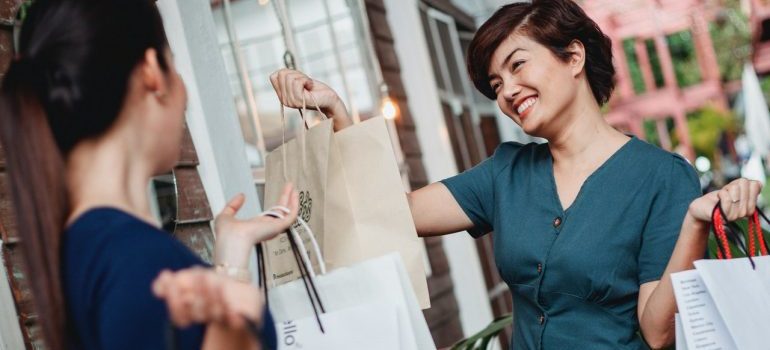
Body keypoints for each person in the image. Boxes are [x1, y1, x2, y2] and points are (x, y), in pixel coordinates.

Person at [269, 0, 763, 348]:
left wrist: (696, 223)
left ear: (573, 56)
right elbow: (389, 213)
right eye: (495, 83)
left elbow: (657, 331)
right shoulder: (506, 173)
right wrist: (336, 111)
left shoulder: (662, 177)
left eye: (517, 65)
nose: (506, 91)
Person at [0, 0, 298, 349]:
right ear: (152, 71)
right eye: (173, 61)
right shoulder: (139, 263)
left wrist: (231, 258)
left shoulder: (90, 249)